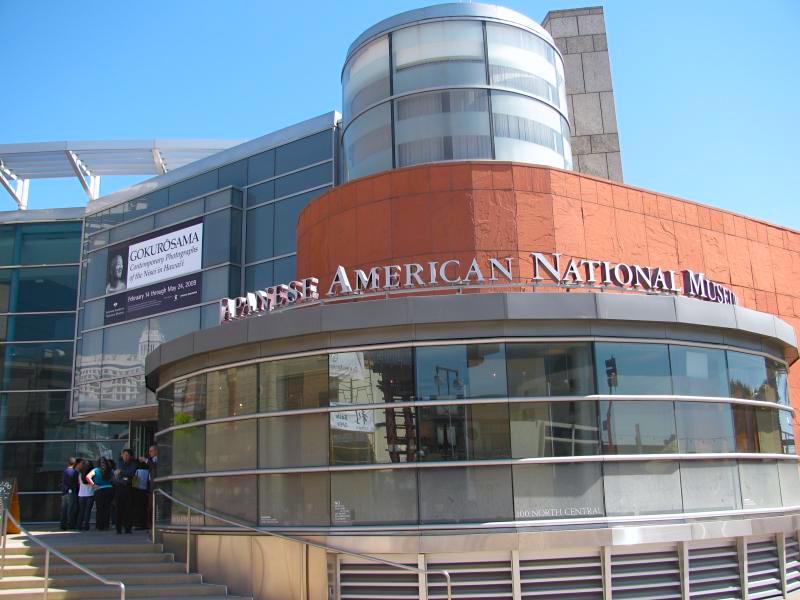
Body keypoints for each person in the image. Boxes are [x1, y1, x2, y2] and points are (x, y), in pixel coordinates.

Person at [114, 449, 140, 534]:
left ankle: (128, 528)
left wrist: (122, 472)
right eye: (124, 454)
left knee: (128, 509)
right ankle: (118, 528)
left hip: (129, 488)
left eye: (127, 455)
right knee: (119, 508)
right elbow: (117, 475)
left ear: (130, 456)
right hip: (119, 488)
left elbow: (131, 472)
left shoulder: (133, 463)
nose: (125, 456)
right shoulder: (119, 463)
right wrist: (124, 476)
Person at [87, 458, 115, 530]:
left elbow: (88, 477)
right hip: (109, 489)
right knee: (107, 508)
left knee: (99, 508)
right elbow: (114, 479)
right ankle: (106, 525)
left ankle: (99, 525)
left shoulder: (96, 470)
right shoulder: (110, 470)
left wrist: (93, 485)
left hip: (99, 490)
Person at [59, 457, 80, 530]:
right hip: (72, 492)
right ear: (75, 464)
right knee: (71, 509)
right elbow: (77, 483)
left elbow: (62, 482)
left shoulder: (64, 471)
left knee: (64, 509)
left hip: (64, 492)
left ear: (68, 463)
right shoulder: (75, 472)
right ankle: (71, 525)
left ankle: (63, 525)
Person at [77, 460, 95, 531]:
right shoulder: (91, 474)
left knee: (81, 511)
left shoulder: (80, 474)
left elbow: (79, 483)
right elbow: (93, 484)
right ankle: (86, 526)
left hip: (81, 494)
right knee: (88, 511)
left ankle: (79, 525)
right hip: (90, 494)